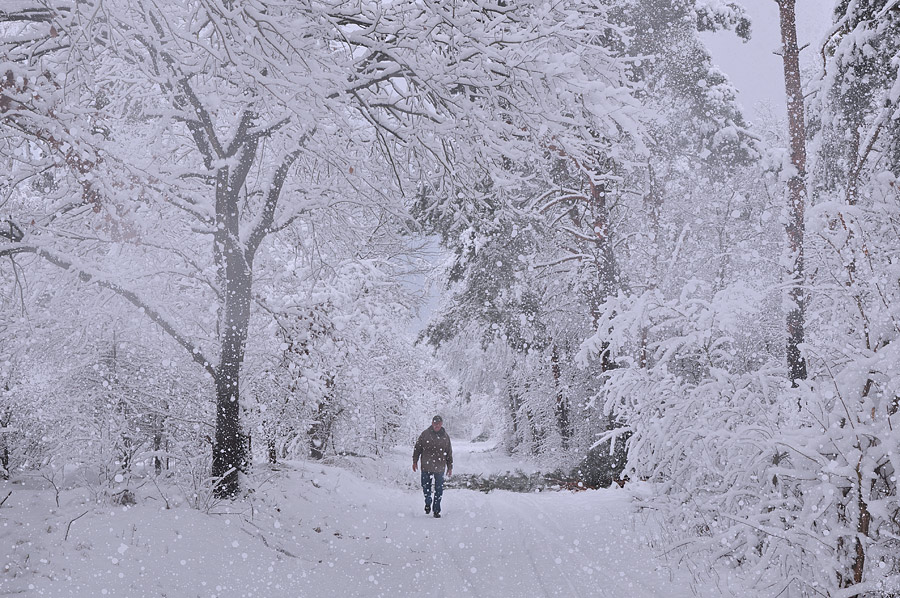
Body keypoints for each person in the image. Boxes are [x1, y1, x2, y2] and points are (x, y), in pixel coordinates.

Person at [412, 415, 453, 518]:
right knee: (426, 488)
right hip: (426, 467)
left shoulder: (445, 436)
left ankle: (436, 510)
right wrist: (415, 461)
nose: (436, 425)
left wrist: (450, 466)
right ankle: (428, 501)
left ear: (441, 424)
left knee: (439, 490)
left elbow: (449, 452)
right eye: (435, 423)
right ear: (432, 423)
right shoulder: (425, 434)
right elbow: (417, 448)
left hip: (440, 468)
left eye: (438, 424)